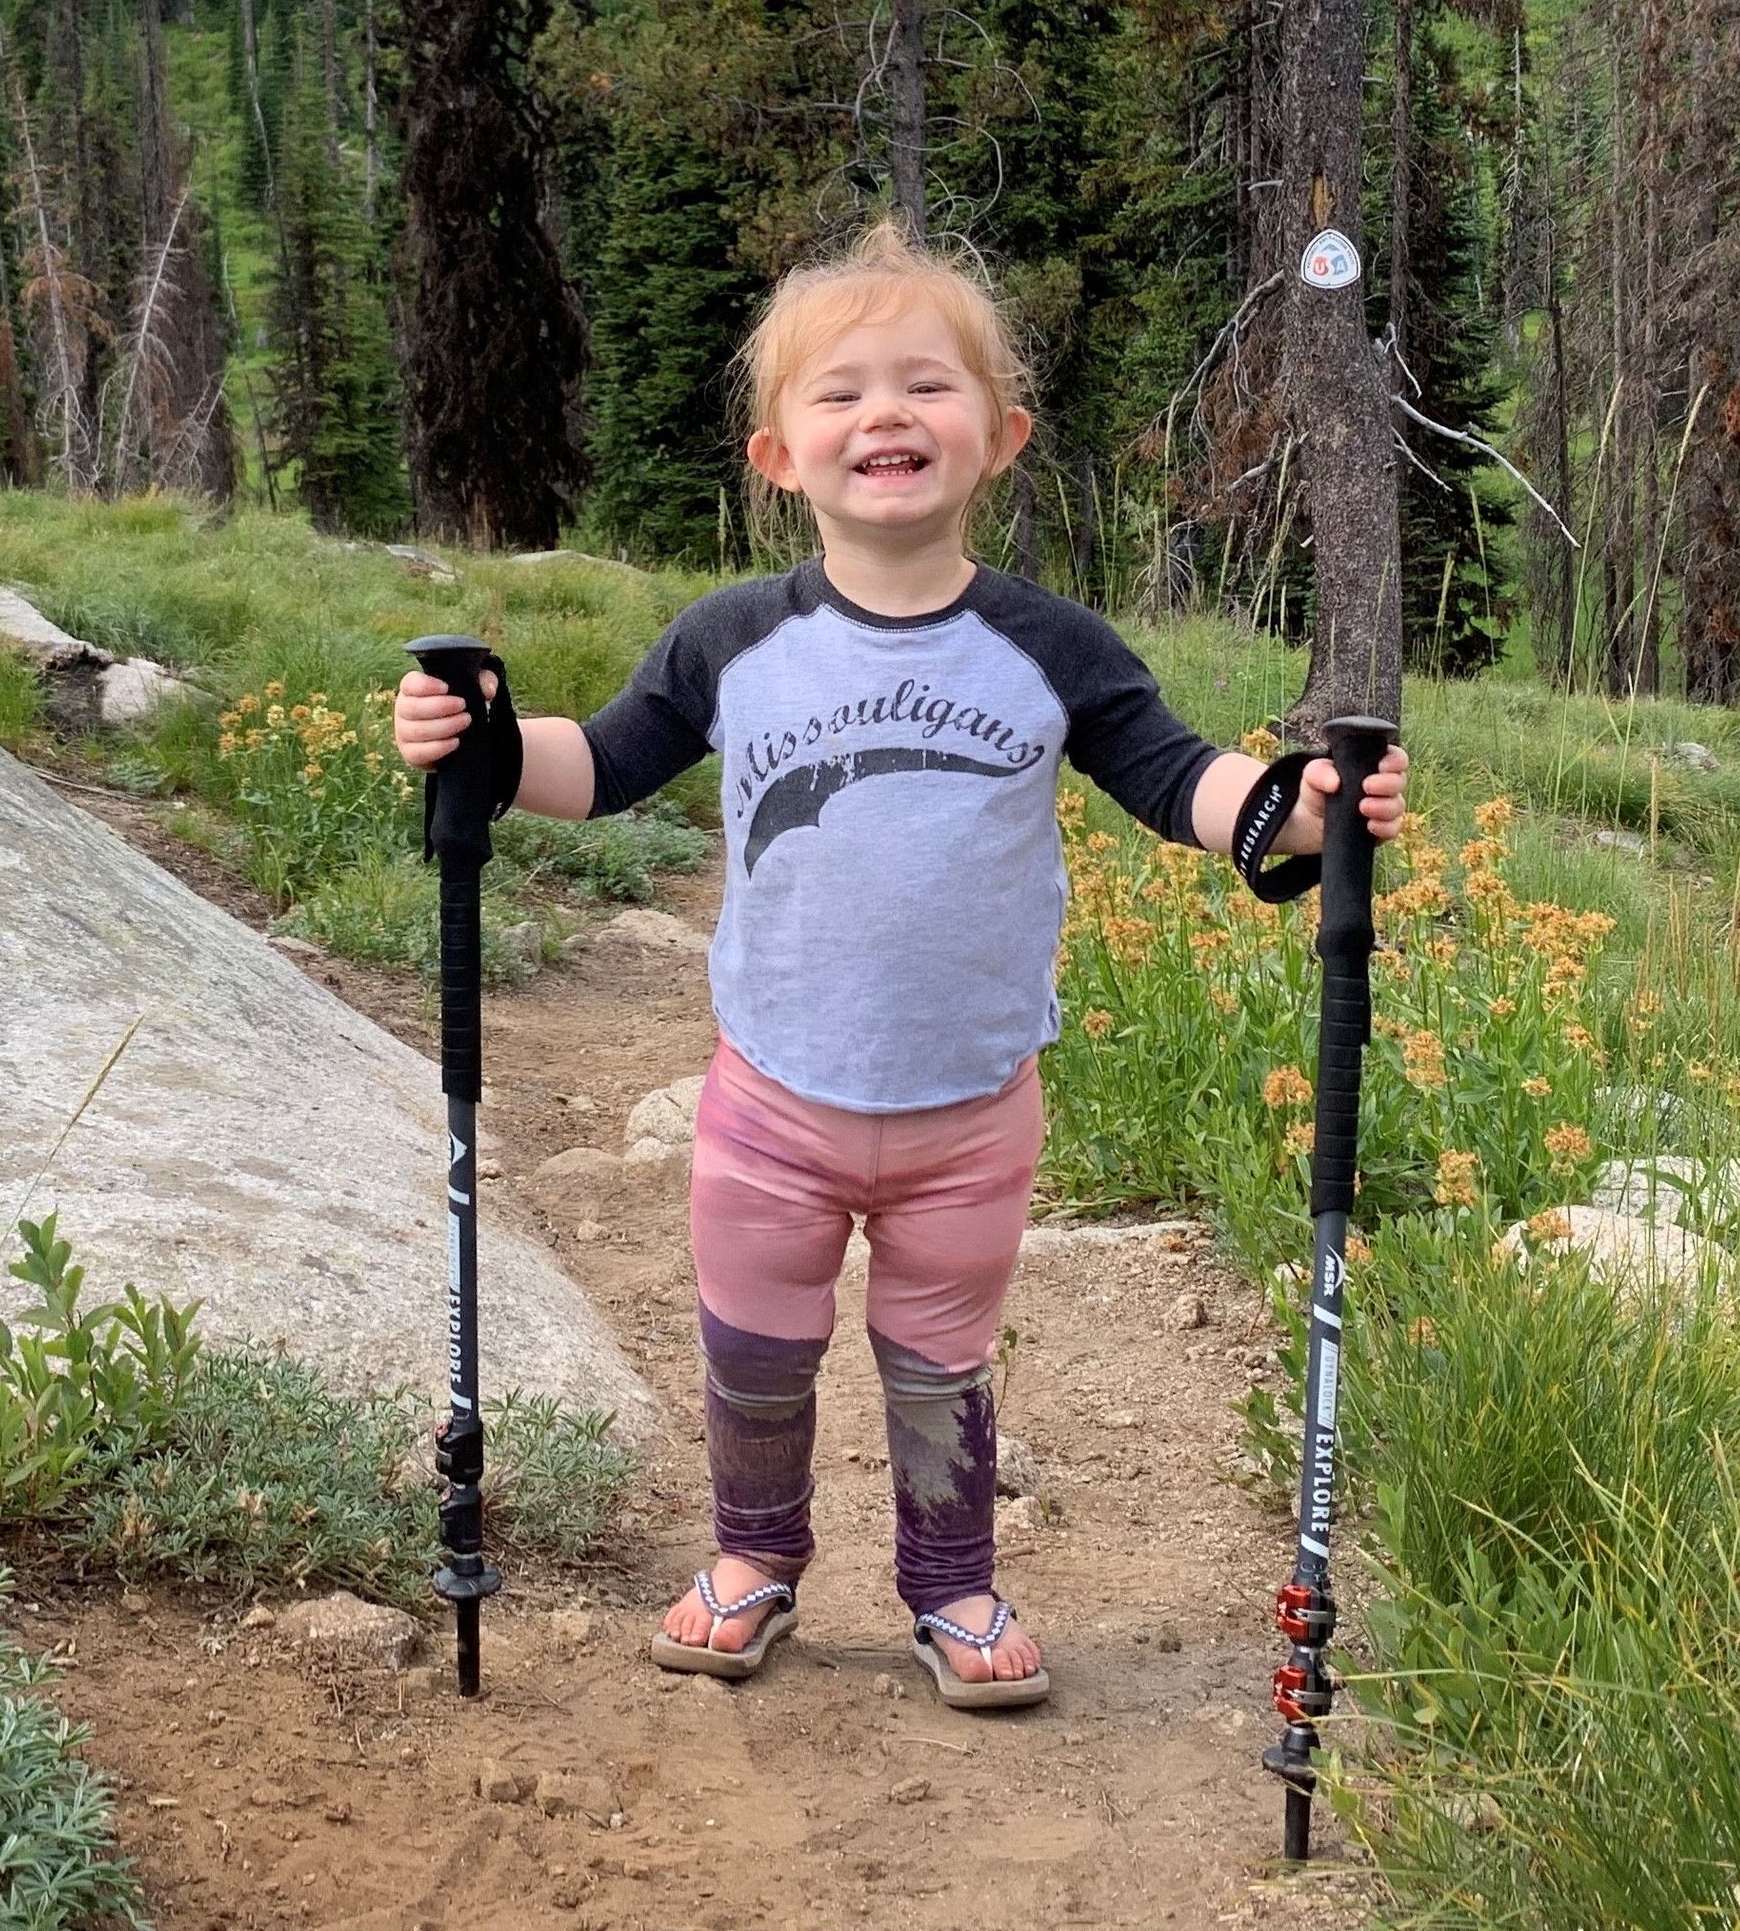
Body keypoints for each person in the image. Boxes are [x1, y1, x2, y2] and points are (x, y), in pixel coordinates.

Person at [392, 222, 1406, 1711]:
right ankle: (754, 1561)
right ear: (778, 455)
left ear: (1001, 437)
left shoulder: (1049, 646)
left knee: (940, 1365)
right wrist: (479, 742)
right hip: (768, 1102)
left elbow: (1178, 778)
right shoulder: (730, 641)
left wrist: (1293, 809)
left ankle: (950, 1586)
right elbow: (599, 767)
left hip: (969, 1111)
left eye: (927, 388)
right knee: (756, 1350)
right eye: (842, 394)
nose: (886, 417)